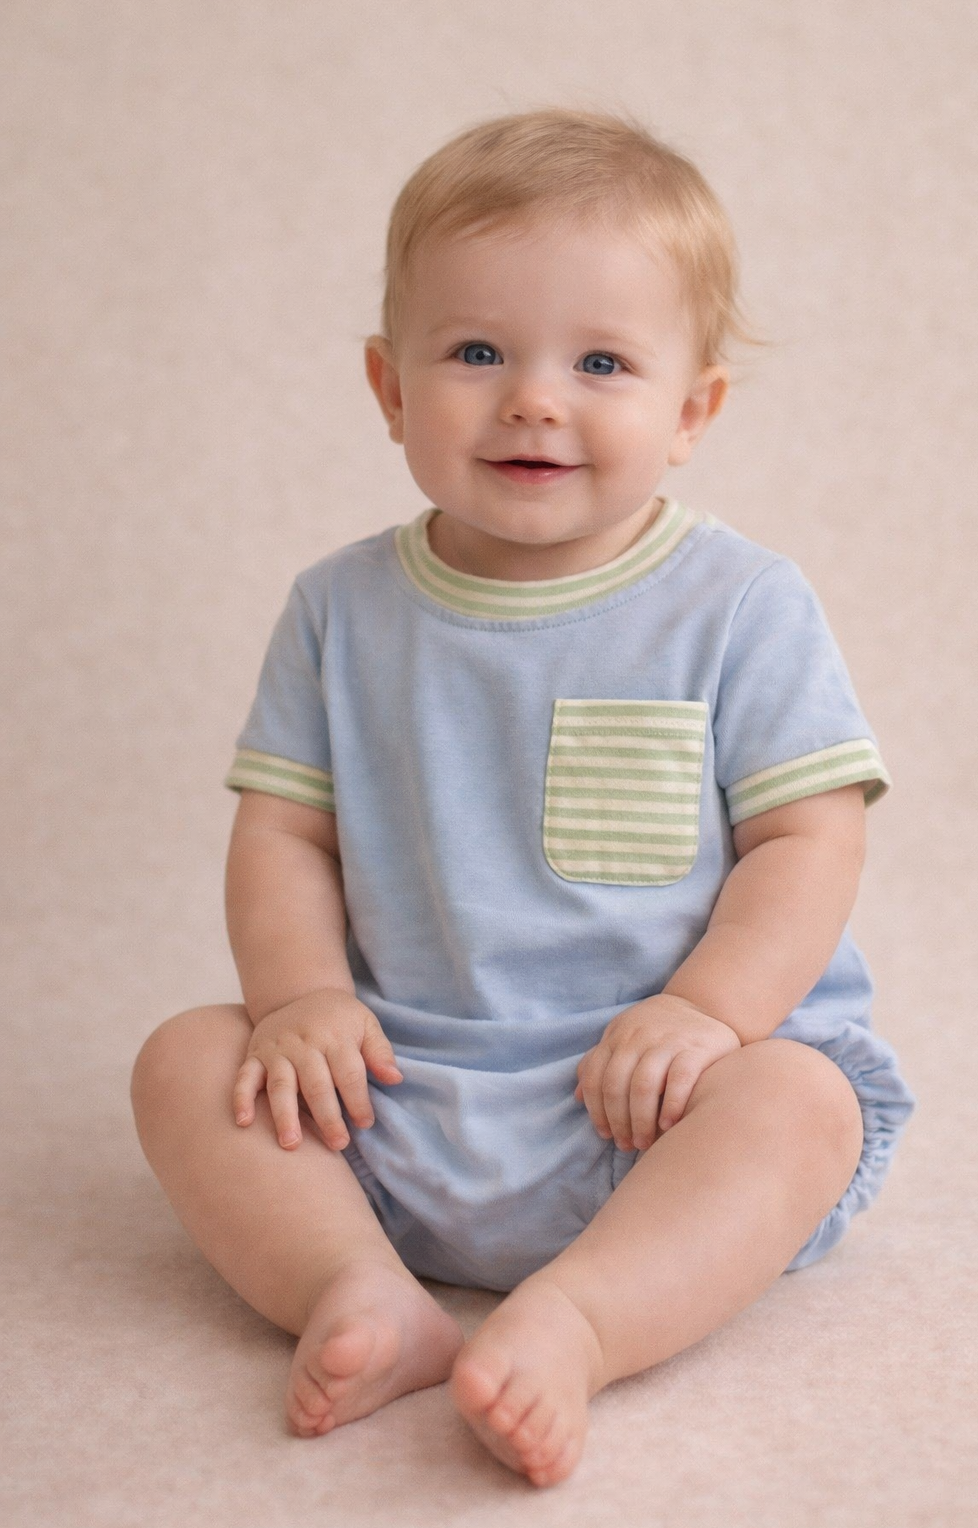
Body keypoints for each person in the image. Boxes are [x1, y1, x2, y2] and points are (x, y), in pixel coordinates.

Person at [131, 107, 915, 1489]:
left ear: (692, 412)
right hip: (390, 1093)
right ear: (387, 386)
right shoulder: (340, 610)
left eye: (602, 362)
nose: (534, 399)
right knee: (189, 1061)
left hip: (649, 1106)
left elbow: (808, 834)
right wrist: (304, 999)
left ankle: (582, 1319)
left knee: (799, 1105)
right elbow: (287, 832)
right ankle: (357, 1285)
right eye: (477, 351)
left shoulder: (737, 606)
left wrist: (706, 1012)